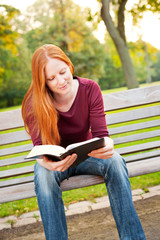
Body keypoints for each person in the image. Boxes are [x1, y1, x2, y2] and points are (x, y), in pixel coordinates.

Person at [22, 44, 146, 240]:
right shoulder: (33, 102)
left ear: (69, 66)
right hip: (55, 163)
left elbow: (101, 135)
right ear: (42, 81)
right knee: (43, 176)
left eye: (63, 72)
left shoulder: (89, 89)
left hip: (88, 156)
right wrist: (44, 162)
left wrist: (108, 145)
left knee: (115, 160)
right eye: (51, 79)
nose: (61, 81)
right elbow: (39, 147)